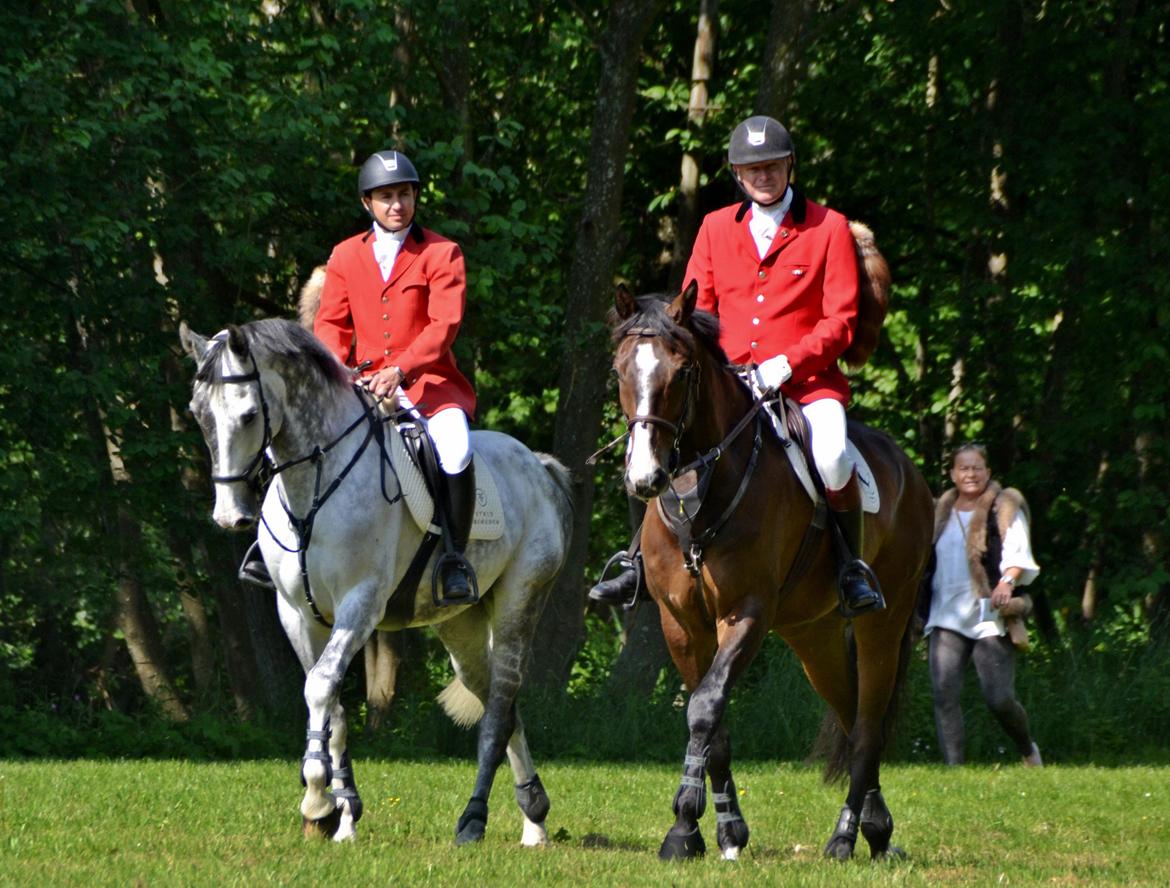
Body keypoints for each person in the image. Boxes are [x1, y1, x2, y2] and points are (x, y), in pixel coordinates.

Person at [590, 115, 883, 617]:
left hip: (805, 384)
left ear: (789, 166)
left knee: (833, 454)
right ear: (737, 175)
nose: (763, 176)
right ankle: (637, 562)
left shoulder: (827, 227)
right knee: (659, 439)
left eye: (771, 166)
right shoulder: (714, 228)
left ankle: (852, 567)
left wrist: (784, 366)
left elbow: (841, 321)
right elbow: (691, 312)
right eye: (752, 169)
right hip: (731, 381)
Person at [239, 149, 478, 606]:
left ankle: (454, 557)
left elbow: (443, 325)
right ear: (368, 203)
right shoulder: (346, 256)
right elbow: (331, 323)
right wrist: (339, 370)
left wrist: (400, 369)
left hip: (427, 385)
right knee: (283, 435)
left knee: (456, 446)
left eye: (404, 194)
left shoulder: (441, 253)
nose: (397, 205)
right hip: (358, 384)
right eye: (386, 197)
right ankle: (267, 546)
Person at [923, 443, 1042, 766]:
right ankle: (955, 769)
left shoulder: (1002, 507)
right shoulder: (937, 514)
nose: (970, 474)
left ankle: (1028, 750)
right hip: (946, 615)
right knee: (943, 694)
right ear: (952, 474)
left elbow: (1017, 552)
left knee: (999, 698)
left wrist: (1007, 581)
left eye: (976, 468)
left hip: (990, 615)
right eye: (963, 468)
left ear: (988, 472)